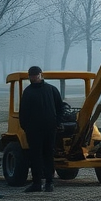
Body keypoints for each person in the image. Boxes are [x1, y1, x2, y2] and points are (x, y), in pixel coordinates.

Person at [19, 65, 64, 193]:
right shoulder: (28, 92)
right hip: (33, 130)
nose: (34, 78)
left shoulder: (51, 90)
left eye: (35, 75)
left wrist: (57, 123)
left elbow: (60, 108)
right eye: (31, 76)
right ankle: (36, 183)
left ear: (40, 75)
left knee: (48, 155)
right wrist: (26, 127)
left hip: (49, 129)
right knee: (35, 156)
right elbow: (23, 111)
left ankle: (49, 183)